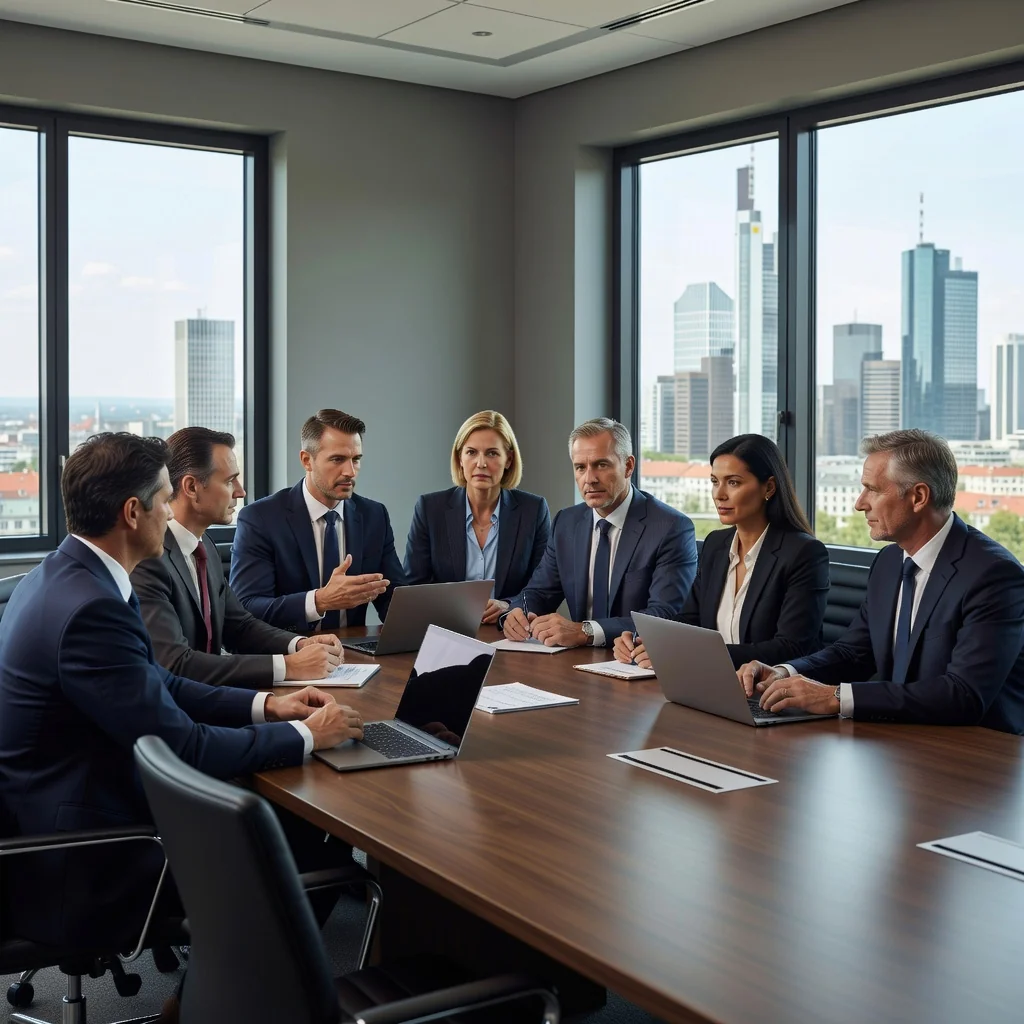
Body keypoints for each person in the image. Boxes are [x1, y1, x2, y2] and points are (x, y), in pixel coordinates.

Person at [0, 433, 361, 948]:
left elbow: (159, 681)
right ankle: (210, 1006)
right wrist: (306, 735)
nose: (172, 512)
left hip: (61, 813)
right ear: (132, 512)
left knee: (287, 826)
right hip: (82, 858)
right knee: (303, 850)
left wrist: (268, 706)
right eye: (166, 498)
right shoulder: (91, 609)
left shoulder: (66, 577)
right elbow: (184, 745)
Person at [738, 429, 1024, 734]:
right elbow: (855, 652)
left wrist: (835, 697)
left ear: (918, 497)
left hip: (977, 755)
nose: (860, 503)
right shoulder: (889, 562)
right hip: (903, 740)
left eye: (872, 489)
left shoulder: (993, 575)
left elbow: (964, 694)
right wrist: (785, 673)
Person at [132, 427, 345, 687]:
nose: (240, 492)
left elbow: (239, 626)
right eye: (229, 480)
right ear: (191, 487)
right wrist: (288, 666)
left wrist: (299, 644)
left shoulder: (204, 546)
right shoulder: (148, 560)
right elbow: (177, 664)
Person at [614, 434, 828, 671]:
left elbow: (791, 647)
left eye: (733, 482)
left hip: (770, 694)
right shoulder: (716, 544)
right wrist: (644, 640)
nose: (719, 494)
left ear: (768, 487)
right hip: (712, 681)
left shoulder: (804, 553)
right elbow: (689, 620)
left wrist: (696, 653)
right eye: (715, 481)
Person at [500, 417, 696, 649]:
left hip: (636, 663)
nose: (590, 479)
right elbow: (539, 592)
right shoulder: (567, 523)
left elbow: (663, 615)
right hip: (577, 661)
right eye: (580, 467)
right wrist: (516, 614)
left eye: (601, 465)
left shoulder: (670, 527)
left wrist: (586, 631)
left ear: (629, 466)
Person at [230, 409, 404, 633]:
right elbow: (247, 608)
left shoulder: (374, 515)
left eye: (356, 460)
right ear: (307, 460)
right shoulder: (261, 518)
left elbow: (394, 598)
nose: (350, 471)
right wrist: (319, 601)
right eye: (338, 459)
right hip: (289, 654)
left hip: (354, 654)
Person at [403, 410, 551, 625]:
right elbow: (415, 586)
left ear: (508, 459)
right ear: (460, 458)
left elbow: (543, 587)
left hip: (510, 631)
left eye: (492, 453)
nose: (481, 463)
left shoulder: (533, 510)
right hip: (446, 629)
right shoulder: (430, 508)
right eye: (471, 452)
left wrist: (509, 605)